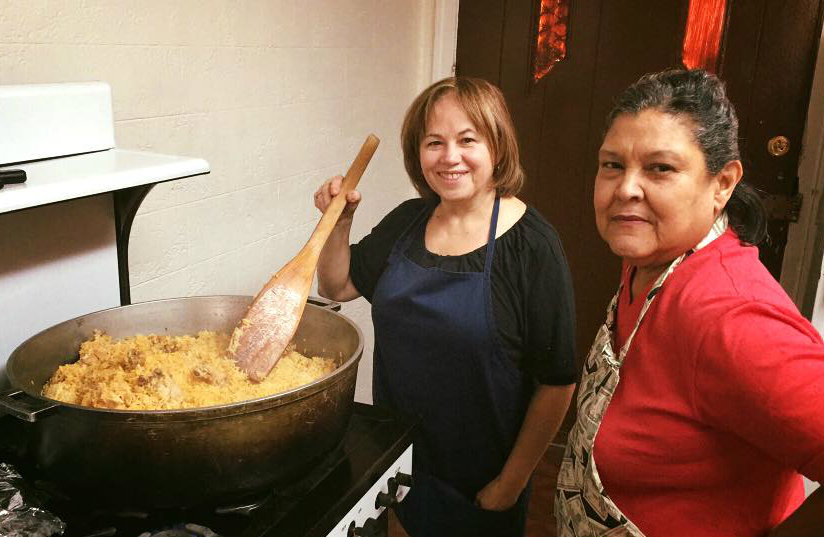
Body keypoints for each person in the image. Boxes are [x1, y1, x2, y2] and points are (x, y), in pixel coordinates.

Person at [555, 68, 824, 537]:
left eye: (660, 168)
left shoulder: (731, 317)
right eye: (612, 165)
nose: (626, 188)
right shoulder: (650, 259)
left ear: (722, 184)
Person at [314, 77, 577, 537]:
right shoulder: (407, 221)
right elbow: (337, 286)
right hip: (403, 468)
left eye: (467, 140)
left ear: (497, 144)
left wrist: (510, 484)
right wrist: (339, 222)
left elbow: (557, 382)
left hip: (482, 483)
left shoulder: (533, 246)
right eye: (434, 142)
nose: (449, 157)